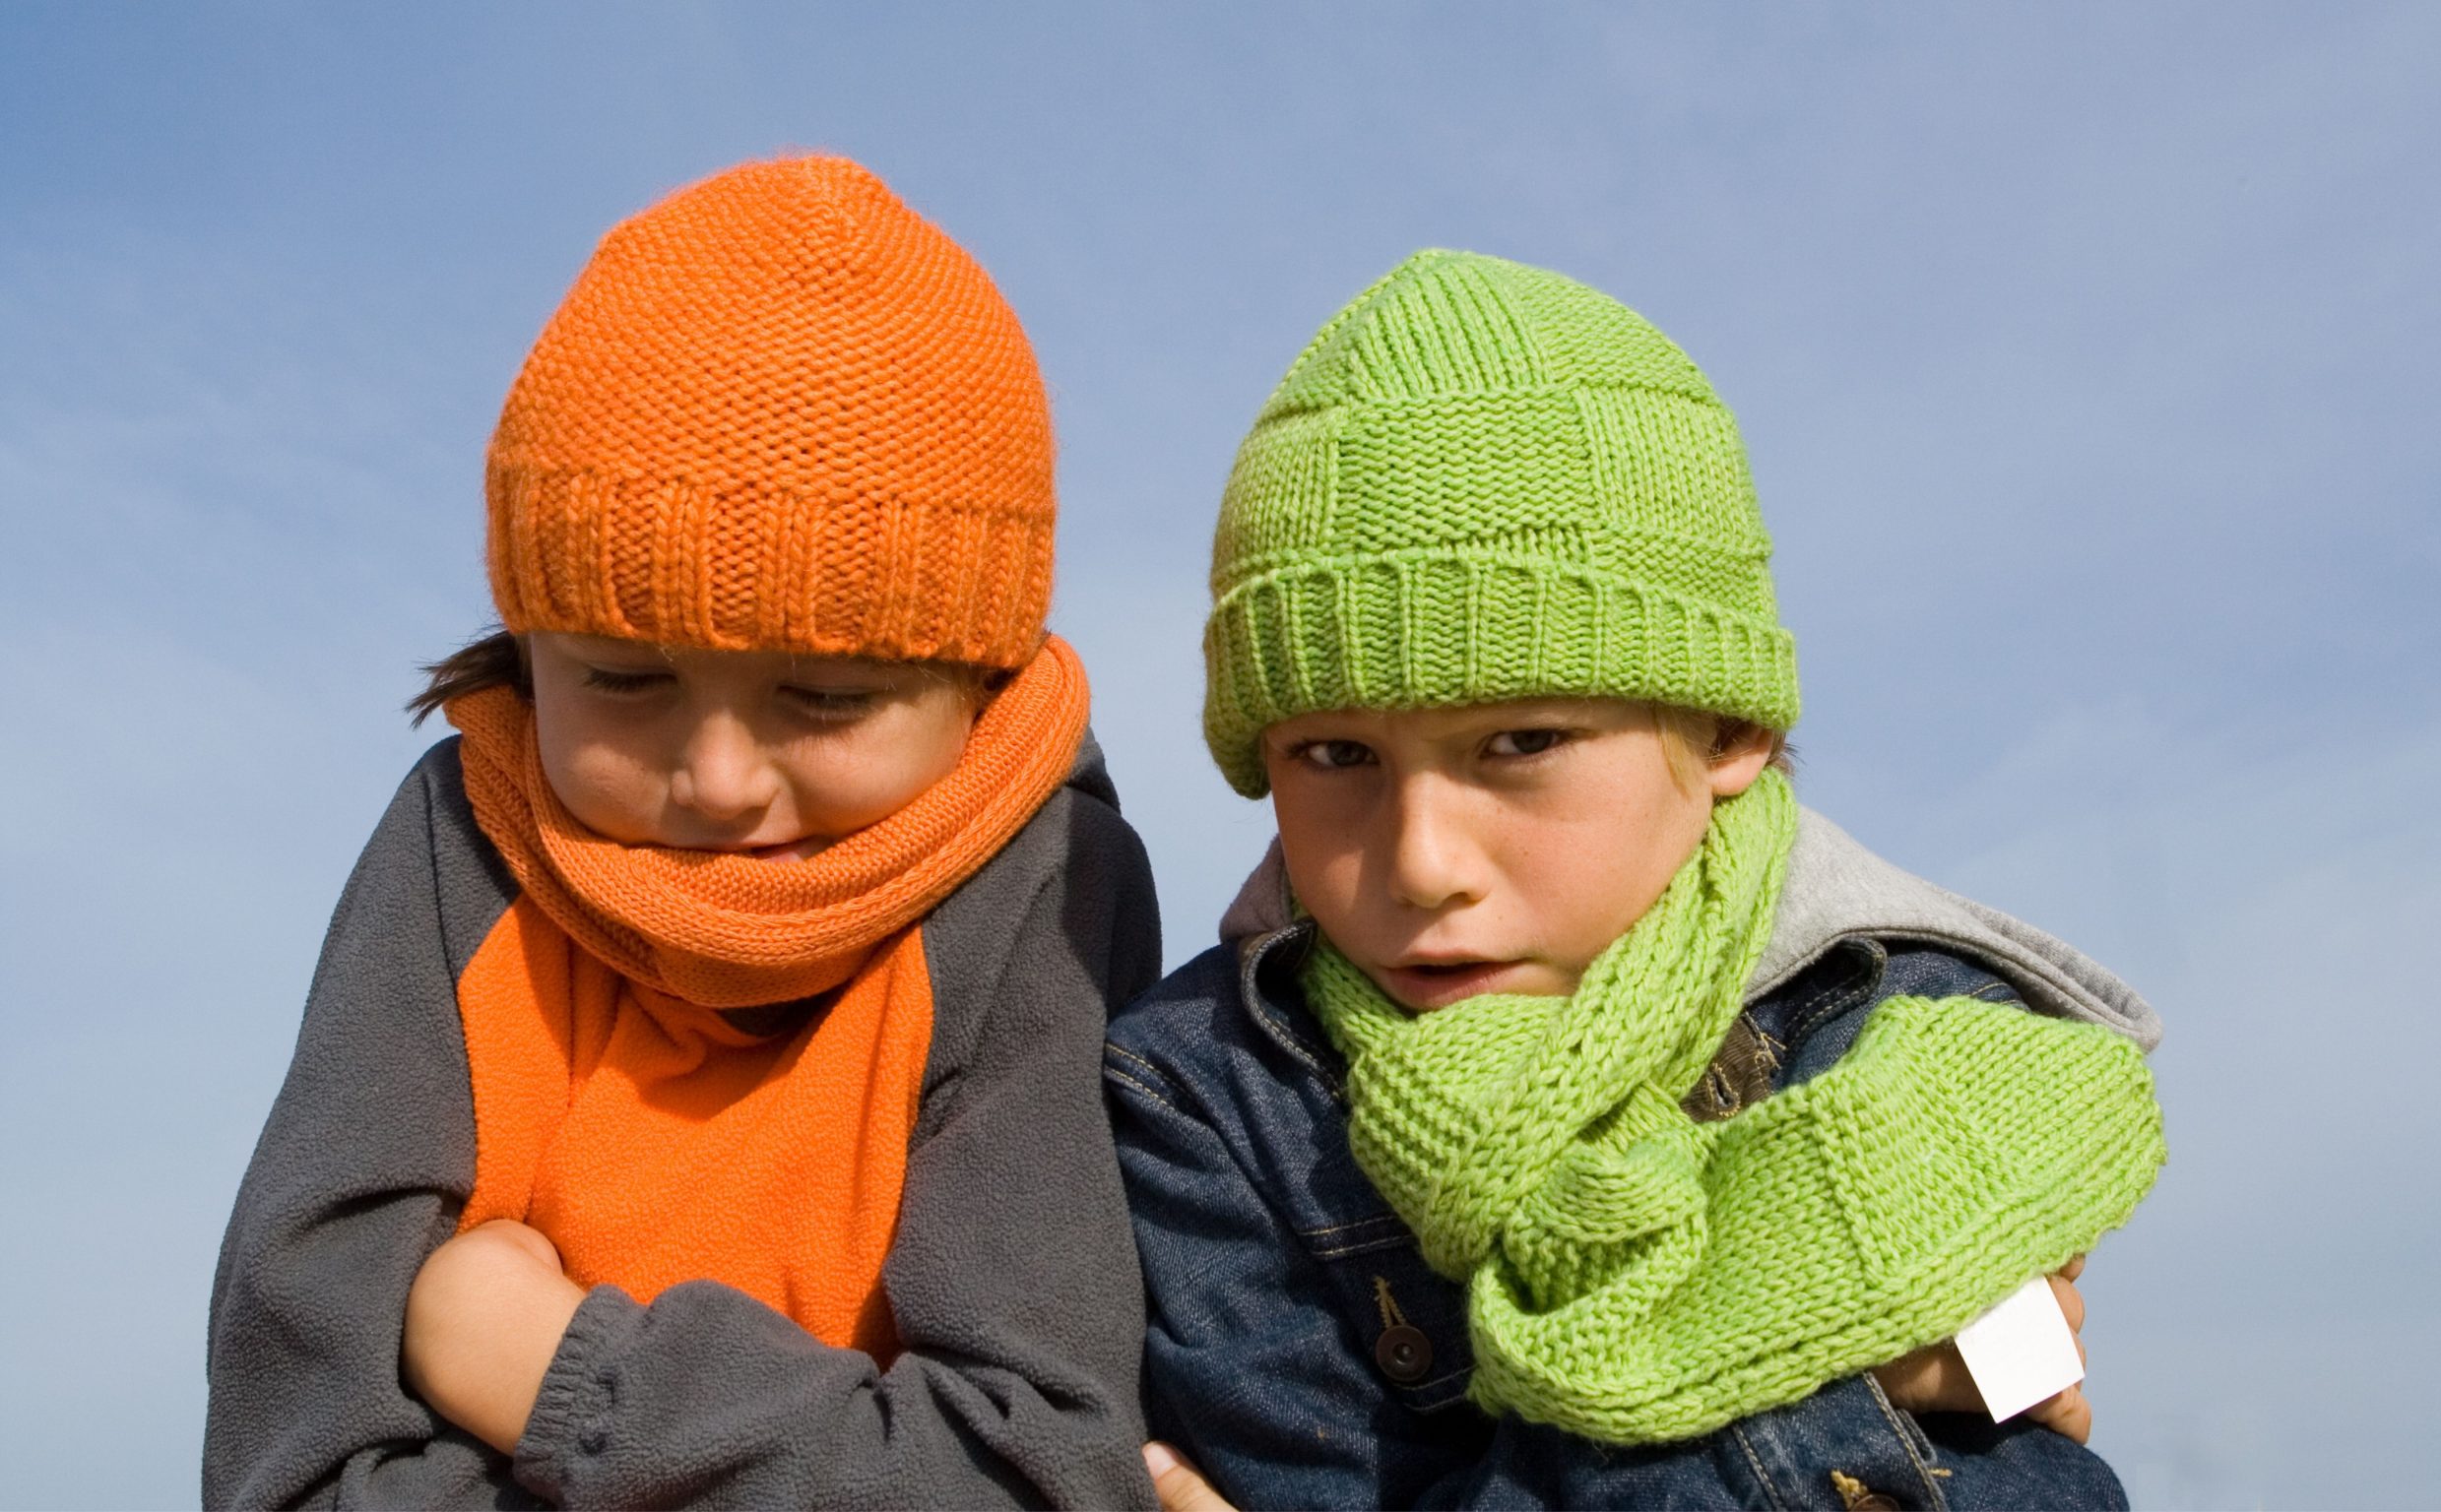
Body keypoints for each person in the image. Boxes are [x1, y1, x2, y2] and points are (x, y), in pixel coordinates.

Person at [1105, 250, 2166, 1510]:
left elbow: (2033, 1456)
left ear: (1724, 732)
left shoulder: (1917, 1029)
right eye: (1335, 756)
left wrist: (1943, 1358)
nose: (1420, 862)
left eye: (1520, 745)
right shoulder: (1203, 1097)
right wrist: (1851, 1352)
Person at [205, 156, 1163, 1509]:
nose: (718, 779)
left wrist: (557, 1373)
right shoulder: (461, 850)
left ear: (981, 683)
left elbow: (1032, 1471)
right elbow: (294, 1460)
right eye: (624, 679)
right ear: (527, 651)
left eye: (825, 696)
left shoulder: (1047, 884)